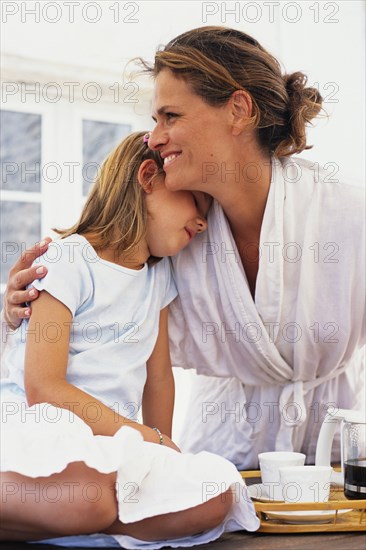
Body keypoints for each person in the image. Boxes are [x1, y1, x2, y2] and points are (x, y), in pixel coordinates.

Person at [3, 26, 365, 470]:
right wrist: (22, 312)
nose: (154, 137)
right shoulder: (171, 240)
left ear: (238, 110)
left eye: (170, 116)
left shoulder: (349, 213)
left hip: (338, 450)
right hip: (224, 449)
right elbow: (102, 331)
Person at [0, 131, 259, 547]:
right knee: (89, 500)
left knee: (218, 496)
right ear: (148, 178)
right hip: (46, 427)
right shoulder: (67, 260)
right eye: (196, 201)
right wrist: (146, 438)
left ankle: (66, 522)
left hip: (114, 442)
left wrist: (158, 458)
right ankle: (82, 517)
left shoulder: (159, 278)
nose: (203, 221)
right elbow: (43, 388)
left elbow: (158, 379)